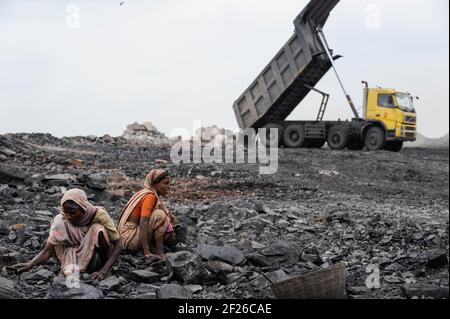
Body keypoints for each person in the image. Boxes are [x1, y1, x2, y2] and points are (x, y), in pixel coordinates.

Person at [11, 189, 122, 281]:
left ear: (83, 209)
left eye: (73, 213)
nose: (69, 216)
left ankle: (103, 266)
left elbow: (118, 244)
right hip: (71, 253)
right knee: (55, 229)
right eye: (66, 212)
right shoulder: (61, 219)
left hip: (95, 255)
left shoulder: (98, 214)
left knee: (98, 229)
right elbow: (47, 250)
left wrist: (103, 271)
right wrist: (30, 264)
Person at [118, 169, 185, 261]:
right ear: (155, 184)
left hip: (128, 236)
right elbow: (143, 222)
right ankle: (159, 252)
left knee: (162, 216)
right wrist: (147, 251)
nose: (168, 187)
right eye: (165, 183)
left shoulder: (147, 193)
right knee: (160, 215)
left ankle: (153, 247)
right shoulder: (150, 196)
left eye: (169, 183)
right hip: (130, 238)